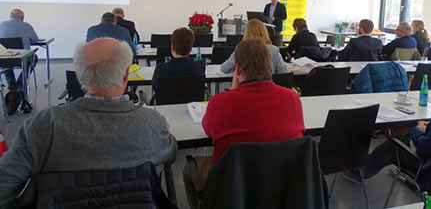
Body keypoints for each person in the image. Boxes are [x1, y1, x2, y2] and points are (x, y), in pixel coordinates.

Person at [0, 38, 177, 207]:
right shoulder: (150, 122)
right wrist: (165, 132)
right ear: (125, 77)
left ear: (79, 75)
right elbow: (170, 153)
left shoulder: (43, 126)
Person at [183, 38, 305, 209]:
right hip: (279, 183)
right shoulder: (293, 99)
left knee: (189, 168)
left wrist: (233, 92)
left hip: (231, 184)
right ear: (270, 66)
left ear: (238, 69)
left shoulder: (221, 102)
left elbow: (208, 129)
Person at [220, 19, 289, 74]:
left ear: (246, 33)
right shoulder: (274, 50)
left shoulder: (241, 49)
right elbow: (285, 71)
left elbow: (225, 69)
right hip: (268, 89)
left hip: (246, 89)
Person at [0, 9, 39, 90]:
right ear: (22, 17)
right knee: (34, 58)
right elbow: (35, 40)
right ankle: (20, 82)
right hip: (22, 59)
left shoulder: (1, 25)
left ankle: (10, 81)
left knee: (6, 59)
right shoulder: (26, 26)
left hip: (4, 60)